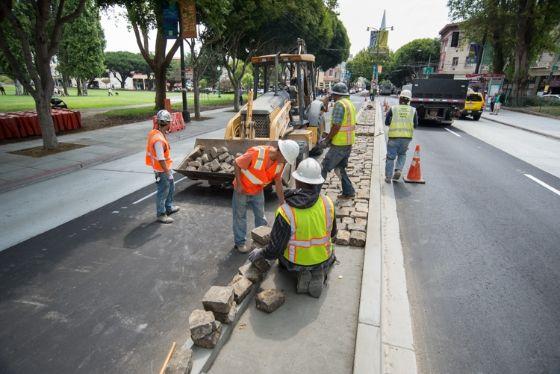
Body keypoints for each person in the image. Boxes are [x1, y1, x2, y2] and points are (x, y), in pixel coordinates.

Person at [248, 158, 336, 298]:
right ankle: (317, 270)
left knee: (281, 262)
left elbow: (275, 250)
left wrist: (261, 253)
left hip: (295, 262)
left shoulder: (286, 211)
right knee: (324, 257)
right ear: (318, 182)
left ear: (297, 181)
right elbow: (333, 234)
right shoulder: (328, 203)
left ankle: (303, 272)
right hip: (323, 257)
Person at [232, 139, 300, 253]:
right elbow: (236, 163)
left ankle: (261, 240)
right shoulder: (256, 153)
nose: (285, 161)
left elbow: (278, 182)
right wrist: (239, 184)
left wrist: (282, 203)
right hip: (242, 190)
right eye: (285, 158)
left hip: (258, 190)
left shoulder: (280, 163)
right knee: (240, 217)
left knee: (261, 216)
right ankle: (240, 243)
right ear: (280, 152)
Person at [320, 82, 357, 199]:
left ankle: (313, 193)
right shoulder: (349, 104)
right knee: (339, 168)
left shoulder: (339, 105)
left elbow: (336, 126)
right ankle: (349, 191)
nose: (332, 97)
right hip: (348, 142)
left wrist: (327, 139)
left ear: (336, 94)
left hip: (339, 144)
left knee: (324, 167)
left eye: (333, 95)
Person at [145, 110, 179, 223]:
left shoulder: (157, 133)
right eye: (170, 122)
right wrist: (168, 173)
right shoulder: (158, 140)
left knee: (171, 187)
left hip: (165, 168)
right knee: (163, 191)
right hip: (162, 170)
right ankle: (161, 213)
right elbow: (161, 159)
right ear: (168, 123)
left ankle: (168, 207)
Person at [384, 89, 418, 183]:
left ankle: (388, 177)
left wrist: (392, 121)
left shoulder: (393, 108)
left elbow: (386, 122)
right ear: (409, 100)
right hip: (406, 138)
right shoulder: (413, 110)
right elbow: (416, 125)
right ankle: (398, 170)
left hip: (393, 137)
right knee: (402, 154)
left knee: (390, 157)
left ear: (400, 99)